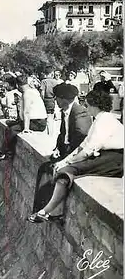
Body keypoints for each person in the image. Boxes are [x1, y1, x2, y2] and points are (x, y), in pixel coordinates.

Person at [28, 90, 123, 223]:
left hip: (113, 160)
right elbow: (83, 146)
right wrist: (65, 160)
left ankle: (46, 211)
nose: (86, 108)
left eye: (88, 105)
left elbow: (88, 151)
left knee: (66, 171)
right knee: (60, 167)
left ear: (95, 105)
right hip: (105, 157)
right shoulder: (100, 118)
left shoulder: (105, 120)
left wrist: (67, 164)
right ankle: (50, 210)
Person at [31, 83, 93, 214]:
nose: (55, 100)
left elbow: (82, 137)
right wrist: (57, 149)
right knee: (44, 168)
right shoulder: (66, 111)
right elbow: (62, 134)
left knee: (57, 172)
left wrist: (67, 158)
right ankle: (40, 209)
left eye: (57, 98)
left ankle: (51, 212)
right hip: (65, 151)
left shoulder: (80, 112)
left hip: (76, 155)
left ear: (64, 99)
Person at [0, 73, 47, 162]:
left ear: (18, 85)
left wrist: (26, 128)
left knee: (13, 129)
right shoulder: (33, 90)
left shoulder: (27, 94)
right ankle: (7, 151)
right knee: (10, 124)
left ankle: (4, 153)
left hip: (37, 123)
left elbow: (26, 112)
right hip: (39, 121)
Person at [40, 71, 60, 136]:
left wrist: (42, 100)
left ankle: (47, 133)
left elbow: (42, 92)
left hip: (46, 100)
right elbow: (57, 93)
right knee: (51, 117)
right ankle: (51, 132)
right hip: (52, 100)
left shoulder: (44, 81)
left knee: (46, 117)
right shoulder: (55, 82)